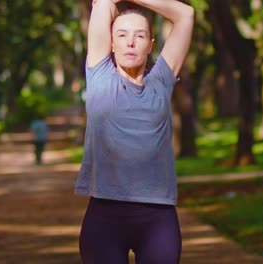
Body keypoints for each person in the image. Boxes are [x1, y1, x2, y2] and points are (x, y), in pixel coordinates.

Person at [75, 0, 193, 263]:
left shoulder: (160, 81)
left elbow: (186, 14)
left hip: (158, 219)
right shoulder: (100, 76)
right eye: (121, 35)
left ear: (150, 45)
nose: (130, 42)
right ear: (111, 43)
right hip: (104, 218)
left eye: (139, 36)